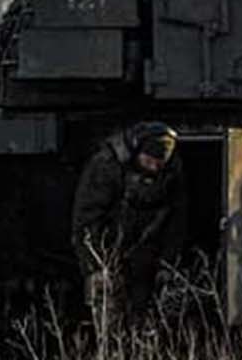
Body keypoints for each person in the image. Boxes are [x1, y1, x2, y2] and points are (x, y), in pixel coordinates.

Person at [70, 121, 188, 328]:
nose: (153, 168)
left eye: (158, 164)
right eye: (149, 160)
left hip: (144, 257)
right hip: (107, 255)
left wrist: (168, 263)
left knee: (145, 324)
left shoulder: (170, 172)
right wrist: (94, 267)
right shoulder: (107, 166)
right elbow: (86, 220)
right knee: (110, 325)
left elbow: (176, 221)